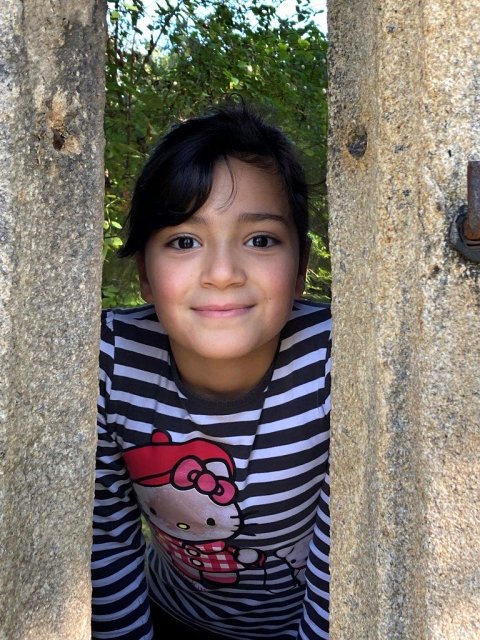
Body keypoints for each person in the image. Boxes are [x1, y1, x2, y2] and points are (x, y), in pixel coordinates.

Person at [92, 102, 331, 640]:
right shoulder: (112, 360)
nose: (222, 273)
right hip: (165, 615)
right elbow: (104, 538)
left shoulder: (334, 359)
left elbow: (347, 560)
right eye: (184, 241)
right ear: (145, 275)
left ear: (300, 269)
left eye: (260, 239)